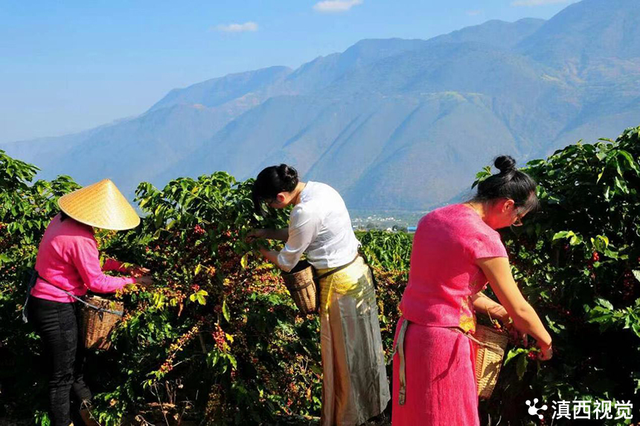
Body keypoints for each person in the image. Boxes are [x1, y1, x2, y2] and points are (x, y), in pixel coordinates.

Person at [392, 156, 553, 426]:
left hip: (409, 336)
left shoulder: (432, 219)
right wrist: (545, 341)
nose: (515, 223)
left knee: (416, 416)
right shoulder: (483, 237)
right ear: (507, 205)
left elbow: (449, 288)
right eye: (518, 218)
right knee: (449, 416)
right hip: (443, 344)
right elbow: (520, 308)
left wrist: (499, 312)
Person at [249, 164, 390, 426]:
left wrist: (259, 248)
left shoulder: (304, 210)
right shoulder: (319, 190)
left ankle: (348, 416)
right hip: (355, 274)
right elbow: (304, 234)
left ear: (280, 197)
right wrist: (268, 233)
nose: (270, 208)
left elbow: (286, 261)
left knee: (344, 354)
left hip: (339, 285)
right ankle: (371, 407)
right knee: (364, 348)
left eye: (269, 203)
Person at [25, 179, 153, 426]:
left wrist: (124, 267)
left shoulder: (61, 221)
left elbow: (87, 260)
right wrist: (132, 281)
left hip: (42, 301)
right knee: (62, 375)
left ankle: (90, 416)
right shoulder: (81, 239)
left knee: (72, 366)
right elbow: (96, 281)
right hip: (56, 307)